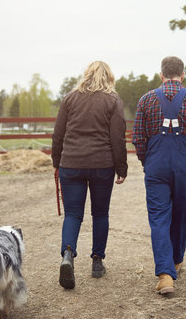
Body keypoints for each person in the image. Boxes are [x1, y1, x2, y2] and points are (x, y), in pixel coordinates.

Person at [132, 56, 186, 295]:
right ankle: (176, 261)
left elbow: (138, 138)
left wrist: (146, 161)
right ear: (183, 75)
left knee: (159, 218)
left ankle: (165, 274)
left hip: (156, 166)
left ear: (161, 75)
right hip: (184, 167)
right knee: (181, 214)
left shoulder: (146, 100)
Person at [52, 61, 127, 289]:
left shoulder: (70, 98)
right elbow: (118, 138)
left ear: (86, 75)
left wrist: (57, 162)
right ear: (109, 77)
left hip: (71, 164)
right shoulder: (113, 100)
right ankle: (97, 261)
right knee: (100, 213)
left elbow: (58, 134)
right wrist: (121, 168)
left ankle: (67, 254)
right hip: (101, 165)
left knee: (73, 214)